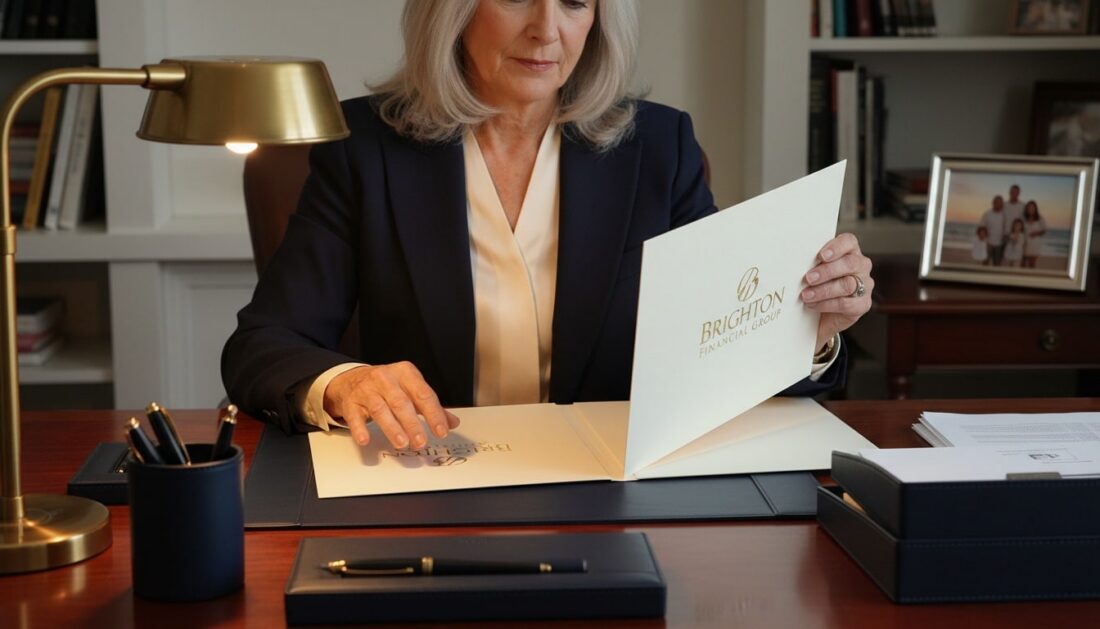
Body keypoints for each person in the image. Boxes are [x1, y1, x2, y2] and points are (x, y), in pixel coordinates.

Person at [221, 0, 874, 450]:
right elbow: (262, 346)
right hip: (423, 486)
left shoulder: (659, 148)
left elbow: (721, 353)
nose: (546, 29)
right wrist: (343, 384)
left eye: (574, 3)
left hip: (613, 498)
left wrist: (809, 328)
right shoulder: (363, 146)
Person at [978, 195, 1008, 266]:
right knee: (985, 263)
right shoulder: (987, 214)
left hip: (999, 245)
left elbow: (1006, 228)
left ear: (1002, 204)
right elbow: (981, 227)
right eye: (996, 202)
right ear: (993, 203)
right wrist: (983, 237)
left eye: (1000, 202)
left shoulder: (1004, 215)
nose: (998, 204)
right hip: (988, 243)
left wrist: (1005, 240)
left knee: (997, 264)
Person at [1022, 200, 1046, 268]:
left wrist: (1036, 233)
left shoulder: (1040, 218)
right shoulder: (1024, 218)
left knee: (1032, 264)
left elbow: (1044, 230)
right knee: (1023, 264)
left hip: (1035, 244)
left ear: (1035, 208)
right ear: (1026, 208)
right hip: (1024, 243)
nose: (1030, 208)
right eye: (1029, 207)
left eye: (1032, 207)